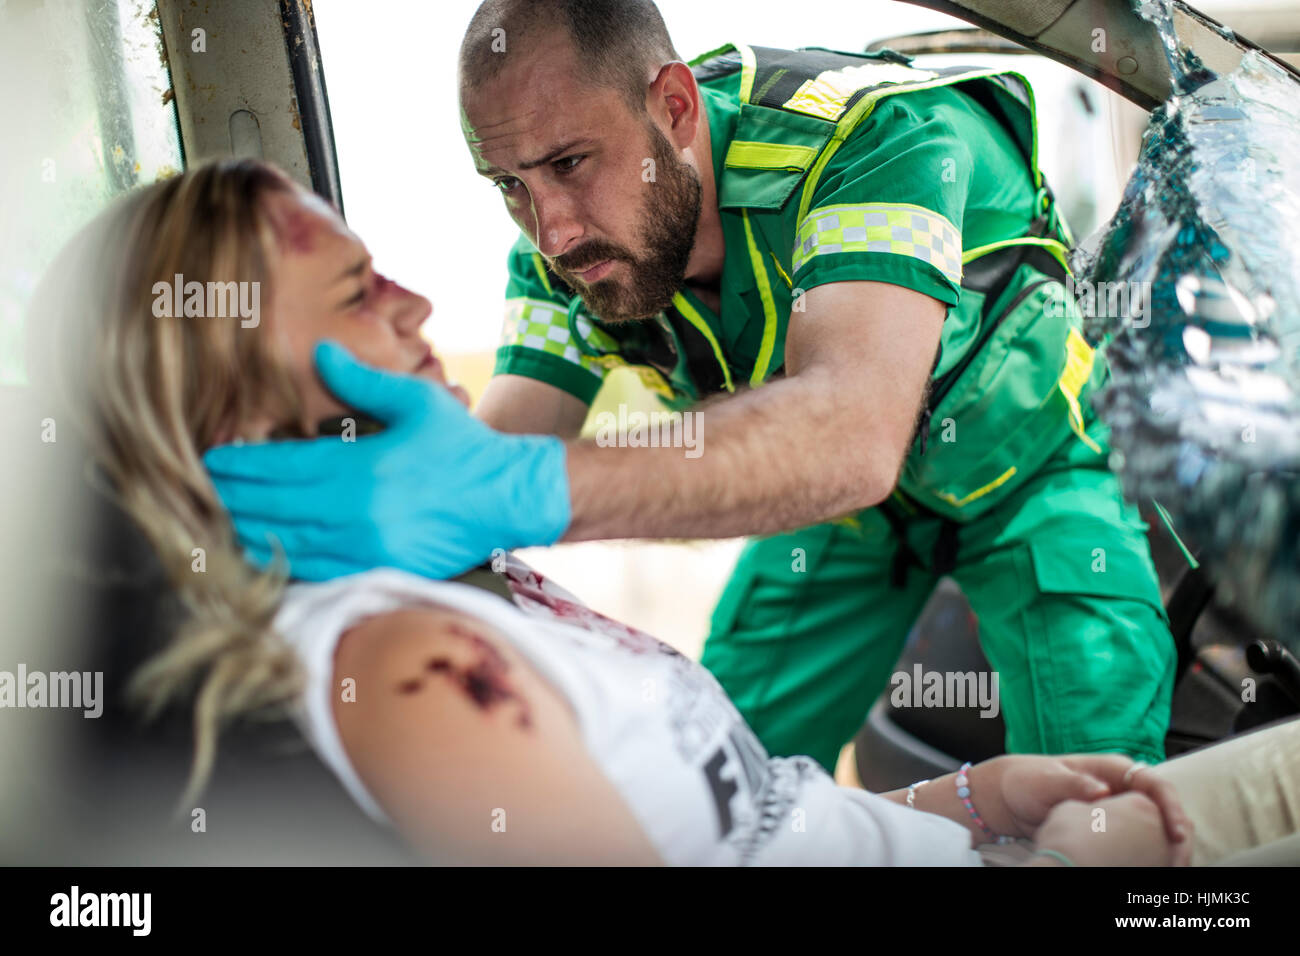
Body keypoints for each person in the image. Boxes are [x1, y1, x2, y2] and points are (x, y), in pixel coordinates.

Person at [30, 159, 1300, 866]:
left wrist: (977, 801)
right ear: (231, 393)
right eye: (362, 289)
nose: (419, 303)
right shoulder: (410, 667)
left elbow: (756, 824)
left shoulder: (474, 592)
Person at [203, 0, 1177, 774]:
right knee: (719, 759)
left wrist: (520, 490)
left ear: (672, 107)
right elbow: (495, 443)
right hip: (842, 527)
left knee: (1103, 802)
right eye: (506, 185)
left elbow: (849, 433)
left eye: (568, 164)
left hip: (1035, 477)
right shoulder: (566, 243)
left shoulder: (881, 139)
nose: (547, 230)